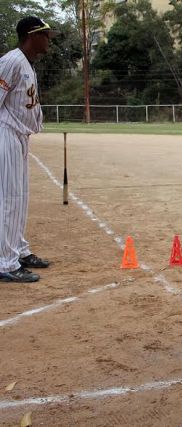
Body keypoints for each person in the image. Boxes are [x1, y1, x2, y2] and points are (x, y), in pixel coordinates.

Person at [0, 17, 58, 283]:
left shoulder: (27, 64)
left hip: (19, 137)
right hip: (6, 134)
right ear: (31, 35)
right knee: (9, 200)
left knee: (20, 197)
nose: (49, 39)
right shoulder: (11, 61)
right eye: (45, 35)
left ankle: (18, 251)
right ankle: (5, 263)